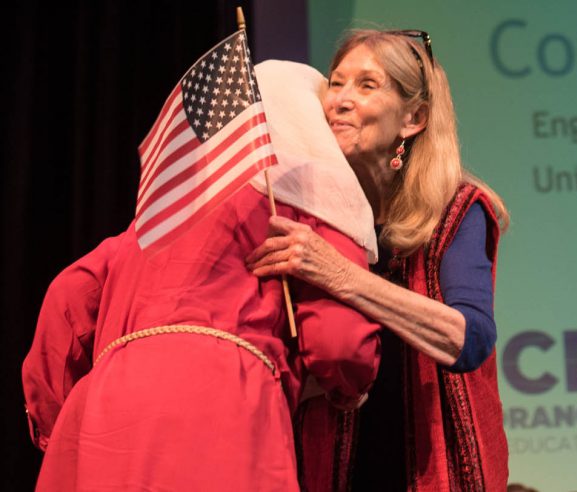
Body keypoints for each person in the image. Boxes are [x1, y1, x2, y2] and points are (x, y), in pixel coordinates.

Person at [21, 59, 382, 491]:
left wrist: (60, 424)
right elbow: (339, 345)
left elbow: (67, 297)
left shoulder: (156, 220)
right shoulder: (320, 207)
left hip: (104, 417)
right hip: (224, 402)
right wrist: (348, 388)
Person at [245, 29, 511, 490]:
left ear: (413, 119)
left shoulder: (456, 208)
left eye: (367, 86)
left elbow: (469, 339)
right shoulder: (309, 209)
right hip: (330, 459)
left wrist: (341, 274)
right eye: (337, 82)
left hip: (431, 461)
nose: (340, 101)